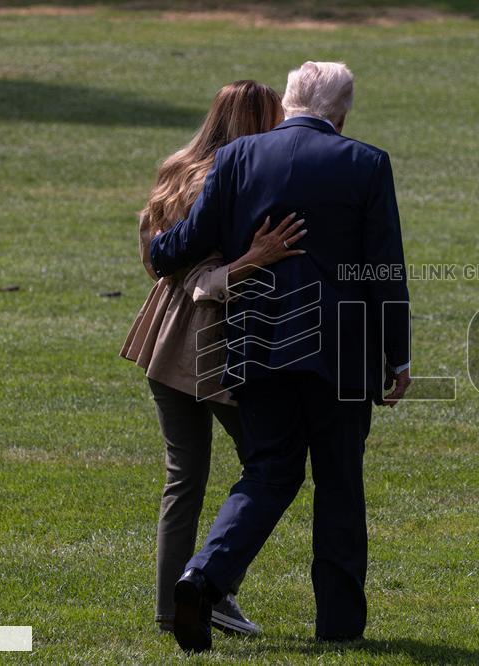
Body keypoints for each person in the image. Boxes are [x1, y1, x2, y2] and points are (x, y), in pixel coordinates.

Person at [150, 61, 412, 653]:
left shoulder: (238, 158)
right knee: (340, 482)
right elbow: (382, 269)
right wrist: (398, 355)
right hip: (342, 352)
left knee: (269, 469)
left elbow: (180, 247)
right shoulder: (366, 163)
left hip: (257, 343)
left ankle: (201, 577)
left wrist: (158, 243)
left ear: (289, 101)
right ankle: (339, 626)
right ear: (341, 113)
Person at [120, 80, 305, 637]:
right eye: (274, 119)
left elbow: (156, 263)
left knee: (184, 479)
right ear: (254, 123)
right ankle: (212, 588)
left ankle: (172, 605)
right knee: (270, 464)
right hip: (214, 340)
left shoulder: (174, 168)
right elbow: (206, 282)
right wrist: (258, 257)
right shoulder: (232, 180)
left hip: (163, 336)